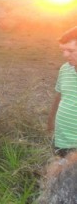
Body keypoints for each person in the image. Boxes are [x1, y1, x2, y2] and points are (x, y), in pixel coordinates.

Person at [47, 26, 77, 157]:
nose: (65, 55)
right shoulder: (65, 69)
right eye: (62, 50)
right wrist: (50, 119)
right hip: (62, 139)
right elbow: (59, 95)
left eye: (70, 50)